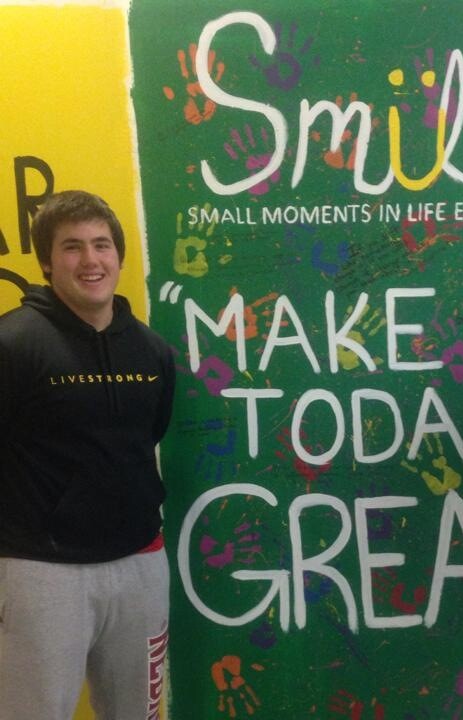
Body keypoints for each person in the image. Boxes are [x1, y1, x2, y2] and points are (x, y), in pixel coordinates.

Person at [0, 190, 175, 719]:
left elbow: (149, 436)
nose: (91, 260)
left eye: (102, 245)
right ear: (47, 262)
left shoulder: (150, 350)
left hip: (140, 562)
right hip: (42, 569)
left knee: (138, 714)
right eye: (72, 247)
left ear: (119, 257)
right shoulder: (13, 343)